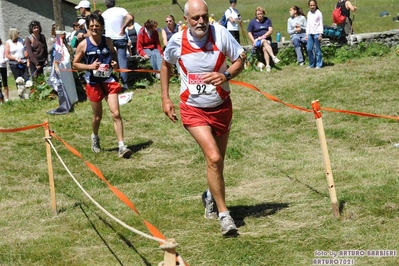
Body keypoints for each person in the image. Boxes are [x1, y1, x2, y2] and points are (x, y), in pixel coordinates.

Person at [161, 0, 245, 236]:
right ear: (186, 19)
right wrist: (165, 98)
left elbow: (241, 58)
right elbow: (165, 65)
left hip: (221, 107)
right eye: (195, 18)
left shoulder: (220, 34)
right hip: (193, 108)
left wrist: (225, 74)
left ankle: (209, 195)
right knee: (214, 157)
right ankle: (225, 215)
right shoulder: (177, 41)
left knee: (218, 163)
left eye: (204, 17)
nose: (201, 22)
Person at [72, 13, 132, 159]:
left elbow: (113, 54)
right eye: (91, 26)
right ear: (88, 27)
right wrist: (90, 66)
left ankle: (121, 146)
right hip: (93, 82)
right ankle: (95, 137)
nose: (94, 29)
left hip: (108, 80)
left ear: (102, 27)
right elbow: (75, 64)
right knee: (97, 116)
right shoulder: (84, 44)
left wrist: (114, 63)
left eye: (97, 26)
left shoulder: (108, 41)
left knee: (116, 113)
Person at [102, 0, 133, 90]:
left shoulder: (104, 14)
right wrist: (123, 27)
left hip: (108, 38)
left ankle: (108, 81)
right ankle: (125, 83)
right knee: (122, 60)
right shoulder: (121, 10)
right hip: (120, 37)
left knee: (107, 59)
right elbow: (130, 17)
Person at [247, 6, 280, 73]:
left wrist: (262, 37)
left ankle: (268, 66)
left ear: (263, 14)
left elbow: (270, 31)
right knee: (264, 42)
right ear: (256, 15)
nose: (260, 15)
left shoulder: (267, 20)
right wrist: (253, 41)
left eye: (261, 14)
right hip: (257, 41)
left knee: (265, 48)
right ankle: (273, 57)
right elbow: (249, 33)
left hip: (266, 39)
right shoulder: (252, 22)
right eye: (258, 14)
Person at [306, 0, 323, 69]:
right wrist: (307, 34)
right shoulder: (309, 14)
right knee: (309, 49)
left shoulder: (318, 13)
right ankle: (311, 63)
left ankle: (319, 64)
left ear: (316, 5)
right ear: (309, 6)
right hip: (310, 33)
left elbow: (321, 23)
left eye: (313, 5)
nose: (312, 7)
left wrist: (320, 34)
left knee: (317, 50)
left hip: (317, 33)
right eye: (311, 5)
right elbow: (308, 24)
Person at [0, 38, 9, 102]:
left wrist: (4, 60)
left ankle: (7, 98)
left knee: (5, 82)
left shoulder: (2, 46)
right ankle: (1, 99)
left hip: (3, 66)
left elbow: (7, 56)